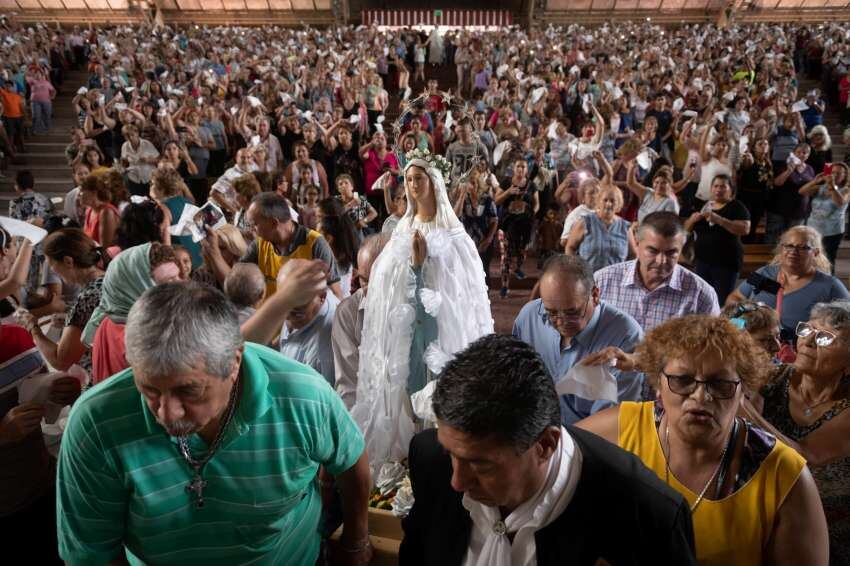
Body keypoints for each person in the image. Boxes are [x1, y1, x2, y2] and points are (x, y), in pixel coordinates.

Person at [57, 282, 372, 565]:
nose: (166, 414)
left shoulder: (301, 395)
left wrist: (356, 541)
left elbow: (350, 457)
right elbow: (91, 554)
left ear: (233, 363)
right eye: (149, 390)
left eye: (188, 390)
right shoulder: (95, 424)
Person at [399, 334, 697, 566]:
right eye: (452, 454)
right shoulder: (430, 460)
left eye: (481, 465)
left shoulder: (648, 514)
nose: (457, 482)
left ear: (544, 445)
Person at [577, 315, 829, 566]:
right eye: (682, 380)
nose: (700, 395)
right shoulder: (618, 430)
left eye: (719, 384)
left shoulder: (784, 475)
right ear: (658, 383)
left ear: (745, 390)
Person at [351, 149, 493, 473]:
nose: (413, 185)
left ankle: (441, 459)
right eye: (409, 179)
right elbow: (385, 279)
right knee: (407, 390)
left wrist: (421, 269)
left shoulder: (455, 236)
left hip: (441, 329)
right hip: (406, 329)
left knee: (437, 391)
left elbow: (461, 291)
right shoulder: (402, 228)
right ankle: (411, 460)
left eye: (419, 178)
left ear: (435, 183)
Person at [742, 301, 850, 564]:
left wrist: (741, 408)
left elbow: (805, 457)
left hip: (829, 534)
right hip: (765, 517)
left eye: (825, 337)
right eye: (807, 330)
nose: (808, 342)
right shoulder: (775, 376)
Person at [513, 255, 643, 425]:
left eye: (572, 313)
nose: (560, 322)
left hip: (590, 443)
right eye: (551, 312)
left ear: (595, 295)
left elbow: (610, 423)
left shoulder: (625, 335)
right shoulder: (529, 316)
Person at [595, 212, 720, 330]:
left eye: (671, 253)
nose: (661, 261)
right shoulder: (602, 281)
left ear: (681, 249)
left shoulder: (701, 295)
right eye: (653, 251)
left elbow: (712, 348)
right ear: (637, 244)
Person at [82, 242, 182, 384]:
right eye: (167, 283)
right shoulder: (145, 340)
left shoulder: (106, 321)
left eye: (177, 277)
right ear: (135, 289)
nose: (181, 286)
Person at [209, 192, 342, 298]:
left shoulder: (315, 243)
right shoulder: (259, 244)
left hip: (304, 327)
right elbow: (234, 282)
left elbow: (335, 293)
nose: (251, 229)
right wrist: (213, 251)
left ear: (273, 223)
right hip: (269, 327)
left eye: (255, 224)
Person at [728, 225, 850, 340]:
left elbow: (846, 322)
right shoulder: (764, 274)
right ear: (782, 248)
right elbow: (735, 297)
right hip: (755, 345)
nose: (793, 251)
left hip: (801, 351)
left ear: (815, 253)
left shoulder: (830, 285)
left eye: (803, 248)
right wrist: (743, 324)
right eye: (789, 246)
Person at [15, 228, 104, 375]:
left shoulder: (87, 298)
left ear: (68, 261)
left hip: (98, 378)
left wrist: (33, 328)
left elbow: (60, 361)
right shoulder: (108, 277)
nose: (51, 269)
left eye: (51, 264)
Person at [331, 233, 390, 410]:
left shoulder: (420, 308)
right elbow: (349, 388)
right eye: (364, 280)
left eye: (380, 279)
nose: (372, 289)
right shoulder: (348, 313)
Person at [685, 174, 751, 304]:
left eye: (723, 186)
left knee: (720, 300)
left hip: (725, 263)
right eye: (715, 186)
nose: (718, 189)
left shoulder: (737, 207)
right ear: (711, 189)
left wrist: (719, 220)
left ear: (731, 190)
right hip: (702, 261)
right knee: (701, 298)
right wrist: (691, 220)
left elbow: (745, 229)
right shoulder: (705, 205)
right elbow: (686, 229)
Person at [495, 159, 539, 298]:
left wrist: (531, 212)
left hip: (524, 224)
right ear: (514, 168)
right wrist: (508, 192)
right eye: (518, 166)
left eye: (523, 166)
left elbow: (537, 203)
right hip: (506, 224)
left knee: (522, 251)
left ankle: (517, 267)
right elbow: (496, 200)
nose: (520, 169)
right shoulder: (506, 182)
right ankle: (504, 286)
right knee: (506, 256)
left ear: (527, 169)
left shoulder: (531, 185)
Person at [565, 185, 630, 273]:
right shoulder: (585, 222)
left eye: (612, 201)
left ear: (618, 204)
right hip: (589, 280)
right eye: (605, 200)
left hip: (615, 282)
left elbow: (634, 255)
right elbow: (570, 247)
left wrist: (626, 272)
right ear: (599, 202)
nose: (608, 204)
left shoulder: (625, 227)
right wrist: (576, 271)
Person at [799, 163, 850, 272]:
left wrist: (831, 185)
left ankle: (829, 285)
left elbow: (839, 202)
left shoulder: (846, 190)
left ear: (845, 175)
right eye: (833, 172)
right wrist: (815, 181)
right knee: (811, 259)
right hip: (813, 229)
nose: (835, 175)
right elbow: (802, 191)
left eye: (838, 173)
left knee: (828, 259)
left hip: (832, 231)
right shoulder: (821, 188)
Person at [317, 198, 361, 298]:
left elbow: (337, 294)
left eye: (319, 217)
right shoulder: (343, 247)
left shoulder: (331, 260)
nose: (317, 220)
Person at [80, 173, 122, 248]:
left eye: (81, 191)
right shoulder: (89, 210)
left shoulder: (106, 212)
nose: (78, 195)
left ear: (93, 193)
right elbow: (85, 239)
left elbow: (105, 248)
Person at [121, 124, 159, 197]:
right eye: (127, 136)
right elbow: (125, 163)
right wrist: (123, 164)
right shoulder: (124, 146)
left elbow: (158, 160)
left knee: (152, 199)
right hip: (134, 179)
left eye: (132, 134)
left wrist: (148, 160)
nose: (130, 138)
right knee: (137, 201)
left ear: (137, 133)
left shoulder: (147, 144)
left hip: (149, 178)